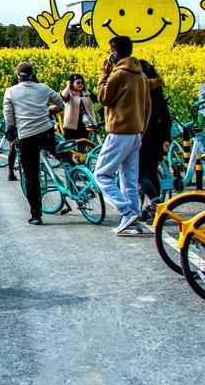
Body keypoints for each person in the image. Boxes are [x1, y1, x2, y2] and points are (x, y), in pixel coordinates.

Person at [94, 35, 153, 236]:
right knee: (129, 179)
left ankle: (126, 212)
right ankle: (133, 221)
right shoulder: (141, 76)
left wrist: (103, 75)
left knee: (101, 174)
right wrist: (142, 129)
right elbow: (148, 106)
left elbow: (103, 98)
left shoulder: (119, 75)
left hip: (119, 132)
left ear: (115, 53)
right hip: (136, 133)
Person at [2, 62, 65, 225]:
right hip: (46, 132)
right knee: (62, 156)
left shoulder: (11, 91)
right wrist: (53, 109)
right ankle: (78, 177)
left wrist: (13, 127)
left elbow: (8, 115)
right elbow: (60, 102)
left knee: (31, 176)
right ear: (32, 74)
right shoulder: (43, 88)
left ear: (17, 75)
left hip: (27, 136)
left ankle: (36, 215)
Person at [137, 59, 173, 221]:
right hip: (158, 136)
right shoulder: (157, 89)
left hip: (143, 134)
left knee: (140, 174)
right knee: (152, 172)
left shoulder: (140, 88)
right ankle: (156, 209)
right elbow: (166, 114)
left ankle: (156, 204)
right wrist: (166, 137)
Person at [60, 74, 99, 142]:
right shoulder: (69, 93)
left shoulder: (87, 93)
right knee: (70, 148)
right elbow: (63, 96)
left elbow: (100, 99)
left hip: (84, 125)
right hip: (71, 126)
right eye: (78, 83)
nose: (80, 84)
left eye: (82, 83)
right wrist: (68, 85)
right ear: (72, 83)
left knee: (83, 145)